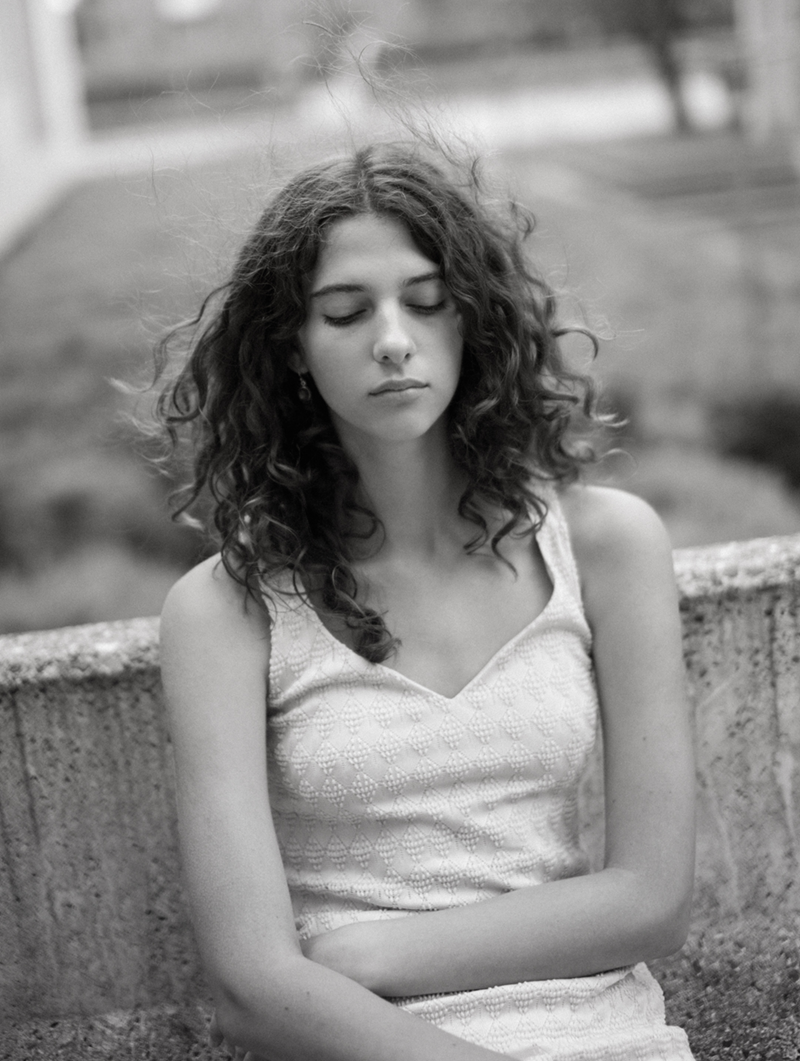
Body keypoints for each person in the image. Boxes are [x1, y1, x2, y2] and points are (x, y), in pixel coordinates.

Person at [156, 141, 696, 1061]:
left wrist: (367, 953)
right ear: (292, 347)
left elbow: (652, 899)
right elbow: (253, 987)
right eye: (345, 311)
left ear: (473, 321)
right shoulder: (227, 611)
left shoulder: (606, 546)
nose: (394, 337)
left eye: (428, 301)